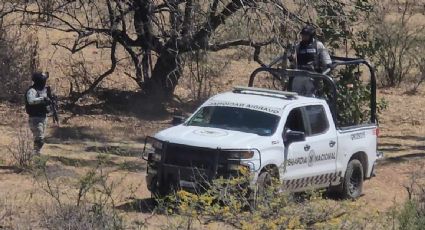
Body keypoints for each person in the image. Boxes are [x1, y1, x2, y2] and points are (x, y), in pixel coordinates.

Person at [289, 25, 332, 96]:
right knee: (295, 97)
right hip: (299, 75)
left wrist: (327, 66)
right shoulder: (298, 46)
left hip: (312, 76)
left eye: (306, 35)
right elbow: (293, 62)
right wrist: (291, 58)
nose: (303, 37)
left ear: (311, 35)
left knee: (311, 97)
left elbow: (326, 60)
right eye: (303, 35)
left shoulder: (318, 45)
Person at [25, 72, 52, 155]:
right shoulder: (32, 90)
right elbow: (31, 101)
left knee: (41, 138)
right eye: (44, 80)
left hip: (43, 117)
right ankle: (35, 154)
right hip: (35, 118)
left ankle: (36, 154)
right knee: (39, 138)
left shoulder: (45, 90)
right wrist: (42, 99)